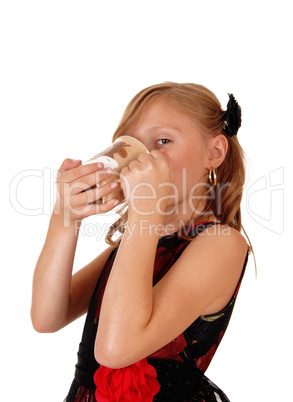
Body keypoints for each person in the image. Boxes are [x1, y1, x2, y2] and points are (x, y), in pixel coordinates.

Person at [31, 82, 250, 401]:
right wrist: (65, 217)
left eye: (163, 141)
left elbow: (115, 348)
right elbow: (47, 316)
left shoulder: (221, 244)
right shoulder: (139, 243)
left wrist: (146, 211)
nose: (143, 159)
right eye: (130, 146)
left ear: (214, 152)